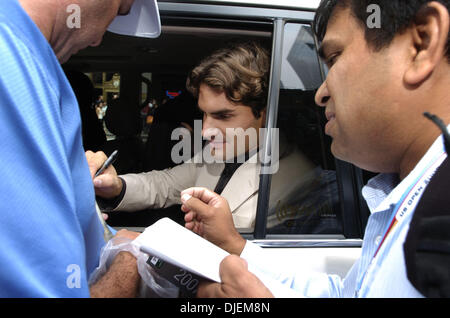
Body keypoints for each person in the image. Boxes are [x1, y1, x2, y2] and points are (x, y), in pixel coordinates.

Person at [179, 0, 450, 297]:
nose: (320, 93)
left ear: (421, 44)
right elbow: (347, 293)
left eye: (334, 58)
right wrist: (236, 246)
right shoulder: (402, 197)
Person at [0, 0, 160, 297]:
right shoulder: (11, 67)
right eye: (119, 11)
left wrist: (88, 212)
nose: (99, 37)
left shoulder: (41, 74)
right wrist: (129, 260)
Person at [87, 42, 319, 230]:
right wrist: (116, 186)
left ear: (265, 115)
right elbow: (165, 184)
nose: (206, 130)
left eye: (223, 116)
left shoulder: (297, 179)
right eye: (204, 114)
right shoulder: (218, 152)